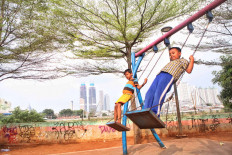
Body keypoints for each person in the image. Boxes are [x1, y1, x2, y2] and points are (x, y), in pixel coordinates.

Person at [144, 47, 194, 117]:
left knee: (159, 94)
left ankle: (155, 113)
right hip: (159, 75)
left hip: (169, 76)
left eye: (173, 53)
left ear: (179, 53)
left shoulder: (183, 61)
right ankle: (145, 111)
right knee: (149, 93)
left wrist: (192, 60)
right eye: (170, 54)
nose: (171, 55)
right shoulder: (171, 62)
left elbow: (189, 70)